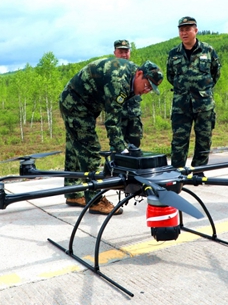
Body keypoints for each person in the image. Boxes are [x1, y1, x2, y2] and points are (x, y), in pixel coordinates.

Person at [61, 58, 163, 214]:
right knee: (89, 149)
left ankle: (74, 194)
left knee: (75, 147)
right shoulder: (119, 81)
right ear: (139, 74)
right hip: (75, 105)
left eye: (151, 89)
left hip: (83, 104)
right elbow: (112, 121)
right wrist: (122, 150)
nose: (147, 90)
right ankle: (95, 200)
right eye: (147, 85)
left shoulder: (130, 76)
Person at [167, 16, 221, 168]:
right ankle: (177, 171)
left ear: (195, 30)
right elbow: (170, 76)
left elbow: (215, 73)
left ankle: (198, 171)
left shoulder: (208, 50)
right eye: (181, 30)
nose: (184, 33)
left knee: (204, 139)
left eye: (188, 29)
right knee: (179, 140)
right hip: (181, 104)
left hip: (203, 104)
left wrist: (202, 90)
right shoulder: (173, 53)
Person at [113, 40, 143, 148]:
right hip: (118, 117)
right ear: (115, 53)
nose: (124, 55)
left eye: (126, 52)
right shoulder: (110, 70)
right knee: (118, 147)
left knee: (135, 147)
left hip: (134, 116)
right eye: (121, 52)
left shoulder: (137, 70)